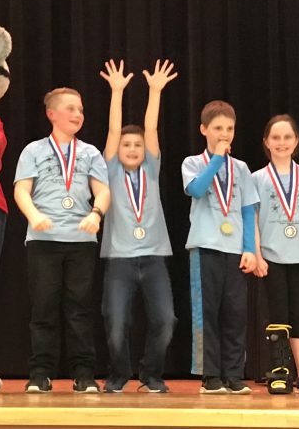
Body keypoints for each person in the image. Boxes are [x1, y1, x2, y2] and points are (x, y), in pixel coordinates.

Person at [14, 87, 111, 394]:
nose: (77, 115)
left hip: (81, 242)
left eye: (80, 110)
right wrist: (33, 216)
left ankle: (83, 373)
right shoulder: (33, 151)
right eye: (70, 109)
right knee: (43, 308)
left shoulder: (91, 153)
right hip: (43, 240)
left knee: (79, 309)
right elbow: (21, 190)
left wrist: (96, 214)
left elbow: (103, 190)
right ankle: (41, 373)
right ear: (51, 114)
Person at [98, 59, 178, 393]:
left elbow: (151, 128)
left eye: (137, 145)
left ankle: (150, 375)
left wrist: (154, 92)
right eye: (127, 145)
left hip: (155, 256)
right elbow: (115, 131)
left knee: (166, 321)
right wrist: (117, 92)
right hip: (119, 258)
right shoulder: (111, 169)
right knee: (116, 323)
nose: (132, 148)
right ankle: (118, 374)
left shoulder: (152, 168)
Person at [181, 100, 259, 394]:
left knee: (236, 314)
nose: (224, 134)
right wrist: (216, 158)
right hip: (205, 247)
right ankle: (210, 375)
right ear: (204, 130)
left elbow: (248, 209)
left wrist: (249, 248)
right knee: (207, 313)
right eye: (217, 128)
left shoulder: (241, 168)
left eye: (229, 129)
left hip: (235, 250)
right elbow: (198, 189)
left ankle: (234, 374)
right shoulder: (192, 163)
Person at [251, 114, 299, 394]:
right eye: (276, 137)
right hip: (271, 257)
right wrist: (257, 254)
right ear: (266, 142)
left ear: (296, 141)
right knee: (277, 314)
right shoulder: (257, 178)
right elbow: (253, 219)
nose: (281, 143)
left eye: (287, 137)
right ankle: (279, 371)